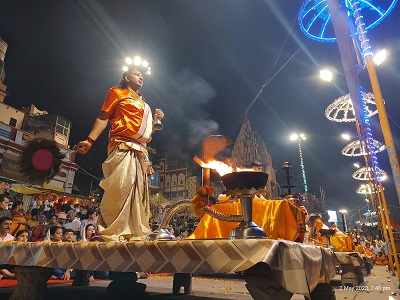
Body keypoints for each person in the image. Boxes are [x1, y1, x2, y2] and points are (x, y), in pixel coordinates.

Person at [76, 68, 164, 242]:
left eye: (142, 75)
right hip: (122, 146)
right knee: (120, 187)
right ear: (126, 77)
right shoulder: (116, 92)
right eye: (137, 74)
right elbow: (103, 117)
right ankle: (112, 230)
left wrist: (154, 123)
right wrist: (89, 140)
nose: (141, 77)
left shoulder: (143, 103)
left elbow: (145, 137)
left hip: (140, 151)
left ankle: (135, 232)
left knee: (137, 194)